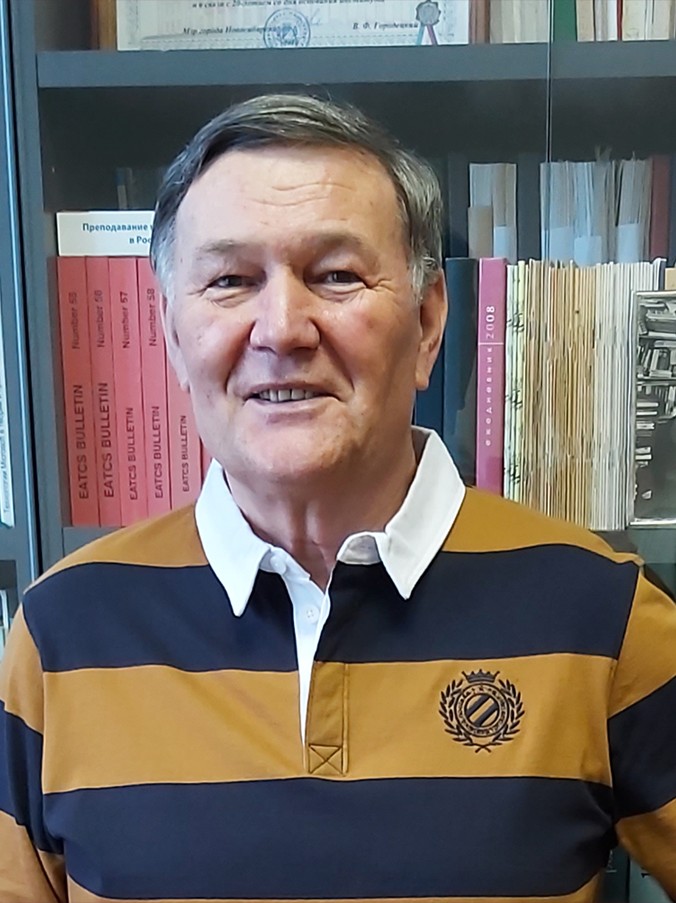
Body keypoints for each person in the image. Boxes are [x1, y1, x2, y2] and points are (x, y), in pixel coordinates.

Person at [1, 93, 675, 903]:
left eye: (336, 276)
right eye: (230, 280)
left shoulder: (602, 614)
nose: (282, 328)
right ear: (173, 336)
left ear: (429, 323)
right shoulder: (61, 633)